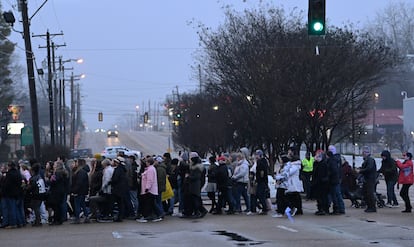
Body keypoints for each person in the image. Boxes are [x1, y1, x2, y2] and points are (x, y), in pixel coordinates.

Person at [70, 159, 90, 224]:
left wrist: (74, 190)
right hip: (82, 191)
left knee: (77, 204)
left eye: (76, 162)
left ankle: (77, 218)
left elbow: (79, 183)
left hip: (79, 191)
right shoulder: (82, 172)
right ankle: (86, 216)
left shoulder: (80, 172)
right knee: (82, 204)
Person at [358, 146, 377, 213]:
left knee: (369, 193)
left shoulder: (370, 160)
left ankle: (372, 207)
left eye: (364, 152)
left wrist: (361, 171)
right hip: (368, 178)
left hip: (370, 179)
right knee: (366, 193)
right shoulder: (368, 160)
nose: (363, 154)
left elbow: (369, 168)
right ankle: (370, 206)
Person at [327, 145, 345, 215]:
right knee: (336, 194)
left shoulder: (333, 160)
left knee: (336, 194)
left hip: (335, 179)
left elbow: (334, 170)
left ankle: (339, 208)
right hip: (337, 178)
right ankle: (339, 208)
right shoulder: (337, 159)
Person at [312, 150, 330, 215]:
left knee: (323, 197)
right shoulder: (316, 163)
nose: (316, 157)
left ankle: (323, 209)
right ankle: (320, 208)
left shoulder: (323, 164)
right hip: (318, 183)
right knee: (319, 197)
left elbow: (321, 174)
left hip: (322, 183)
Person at [255, 149, 269, 215]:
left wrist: (260, 179)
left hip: (262, 181)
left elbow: (262, 172)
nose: (256, 156)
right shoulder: (260, 161)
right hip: (261, 181)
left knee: (261, 195)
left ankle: (264, 208)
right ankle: (263, 207)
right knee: (259, 194)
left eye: (257, 155)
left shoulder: (261, 162)